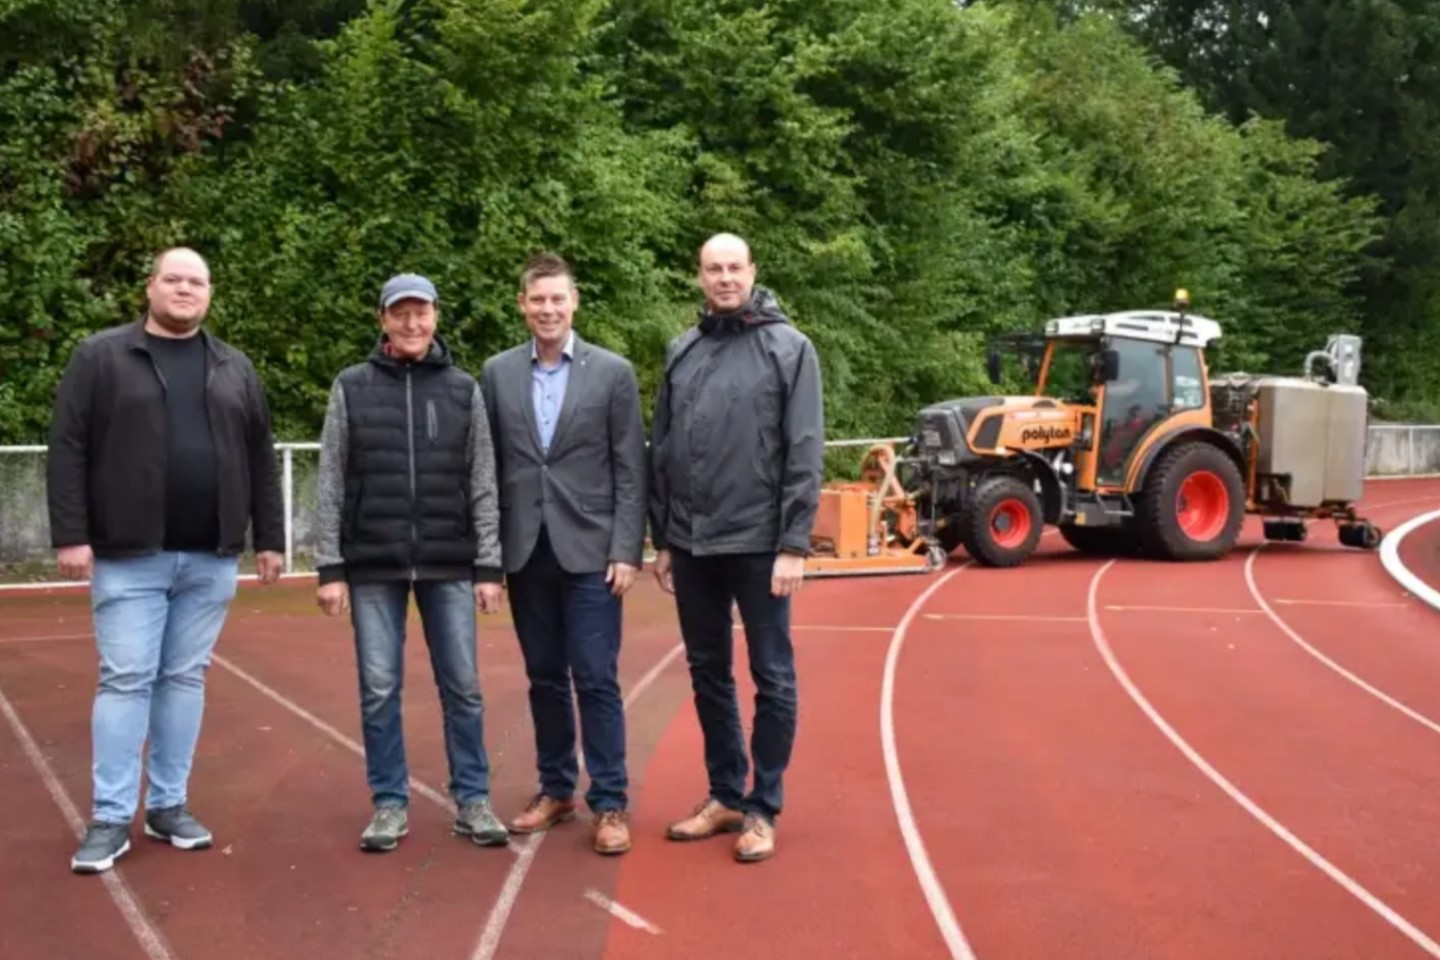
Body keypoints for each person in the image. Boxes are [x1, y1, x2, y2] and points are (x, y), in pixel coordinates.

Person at [47, 246, 286, 875]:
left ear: (209, 294)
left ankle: (169, 805)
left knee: (183, 680)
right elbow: (68, 445)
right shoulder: (101, 357)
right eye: (174, 279)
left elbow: (261, 456)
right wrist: (71, 534)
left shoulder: (234, 366)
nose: (186, 289)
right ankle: (109, 817)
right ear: (150, 287)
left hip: (210, 558)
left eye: (197, 281)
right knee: (126, 679)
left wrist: (271, 538)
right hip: (130, 556)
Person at [312, 272, 509, 852]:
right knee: (378, 688)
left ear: (436, 317)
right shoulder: (350, 388)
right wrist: (330, 566)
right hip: (373, 564)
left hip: (450, 562)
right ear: (383, 321)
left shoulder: (461, 388)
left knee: (464, 688)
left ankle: (472, 800)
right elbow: (331, 480)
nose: (412, 323)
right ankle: (389, 804)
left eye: (421, 313)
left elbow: (482, 480)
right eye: (400, 313)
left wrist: (490, 564)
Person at [647, 233, 825, 863]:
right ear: (699, 276)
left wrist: (794, 543)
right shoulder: (682, 351)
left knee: (772, 674)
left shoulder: (790, 348)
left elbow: (804, 449)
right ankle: (724, 792)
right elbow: (662, 448)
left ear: (753, 272)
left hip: (759, 542)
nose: (724, 278)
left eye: (733, 267)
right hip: (692, 543)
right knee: (707, 673)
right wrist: (663, 536)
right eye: (712, 268)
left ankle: (762, 805)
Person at [479, 252, 647, 856]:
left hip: (593, 553)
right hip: (527, 553)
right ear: (522, 305)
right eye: (537, 300)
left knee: (596, 677)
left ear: (574, 302)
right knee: (544, 677)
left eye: (558, 299)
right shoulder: (496, 374)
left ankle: (611, 802)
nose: (548, 309)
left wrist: (628, 547)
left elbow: (631, 468)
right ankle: (556, 789)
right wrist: (490, 561)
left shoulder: (612, 373)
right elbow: (488, 472)